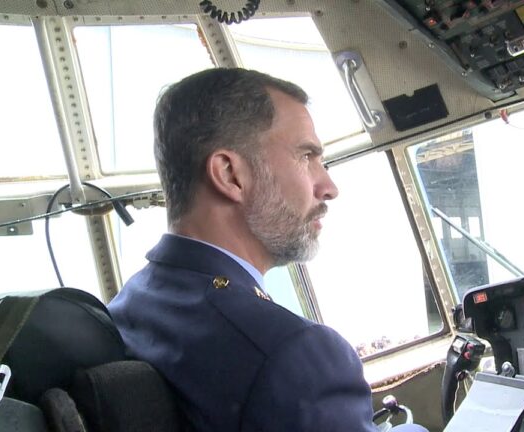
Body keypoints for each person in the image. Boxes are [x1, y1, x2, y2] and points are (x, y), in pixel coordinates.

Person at [108, 68, 427, 431]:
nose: (328, 187)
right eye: (306, 157)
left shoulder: (132, 302)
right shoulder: (293, 355)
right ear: (230, 174)